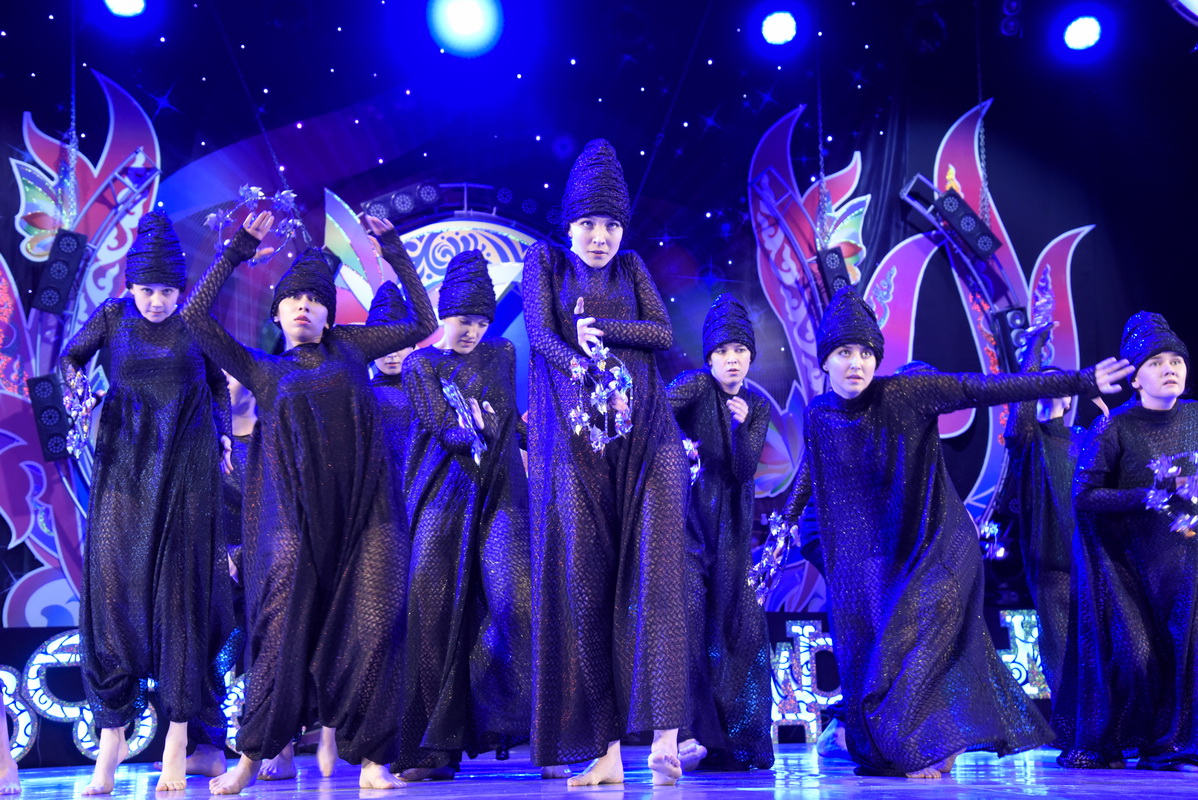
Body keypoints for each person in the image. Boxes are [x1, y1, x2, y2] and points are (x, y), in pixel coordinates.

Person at [781, 287, 1132, 778]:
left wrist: (1081, 379)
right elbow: (810, 471)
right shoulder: (819, 414)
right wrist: (785, 521)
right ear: (825, 361)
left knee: (911, 638)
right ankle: (922, 740)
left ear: (877, 358)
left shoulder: (906, 393)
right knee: (876, 652)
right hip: (880, 553)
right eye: (843, 353)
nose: (856, 363)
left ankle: (915, 747)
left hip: (940, 541)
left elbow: (983, 387)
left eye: (865, 352)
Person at [180, 212, 437, 794]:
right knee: (278, 635)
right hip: (291, 520)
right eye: (294, 299)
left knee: (377, 626)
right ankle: (250, 759)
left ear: (330, 314)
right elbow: (194, 318)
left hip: (366, 515)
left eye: (316, 300)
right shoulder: (263, 369)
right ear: (277, 313)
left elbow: (423, 322)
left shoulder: (350, 348)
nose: (304, 306)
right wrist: (237, 250)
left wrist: (394, 251)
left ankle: (372, 761)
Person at [525, 139, 689, 786]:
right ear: (569, 224)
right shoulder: (546, 263)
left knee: (658, 578)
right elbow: (541, 334)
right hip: (578, 445)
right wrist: (582, 364)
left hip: (649, 439)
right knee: (586, 587)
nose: (601, 237)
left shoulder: (632, 268)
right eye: (590, 223)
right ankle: (606, 751)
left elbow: (663, 333)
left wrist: (604, 331)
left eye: (612, 225)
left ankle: (666, 739)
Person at [60, 211, 235, 795]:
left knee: (179, 599)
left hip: (186, 468)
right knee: (114, 598)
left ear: (180, 290)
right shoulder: (113, 317)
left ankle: (178, 743)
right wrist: (81, 395)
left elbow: (217, 385)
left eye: (166, 290)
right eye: (147, 290)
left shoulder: (194, 324)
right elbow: (70, 359)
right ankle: (109, 747)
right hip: (125, 469)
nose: (157, 301)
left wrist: (225, 437)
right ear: (129, 285)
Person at [394, 250, 533, 780]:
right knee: (430, 619)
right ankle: (431, 749)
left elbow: (507, 420)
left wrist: (533, 433)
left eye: (480, 321)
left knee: (513, 603)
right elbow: (443, 426)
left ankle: (510, 723)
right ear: (443, 315)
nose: (472, 331)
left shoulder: (501, 353)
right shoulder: (420, 364)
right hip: (440, 496)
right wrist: (477, 426)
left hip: (499, 493)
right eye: (462, 320)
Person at [1054, 312, 1198, 771]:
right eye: (1156, 363)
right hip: (1128, 568)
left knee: (1190, 652)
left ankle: (1174, 746)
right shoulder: (1114, 427)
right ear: (1135, 378)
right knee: (1138, 657)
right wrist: (1150, 495)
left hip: (1187, 561)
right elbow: (1083, 497)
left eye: (1176, 361)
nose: (1170, 369)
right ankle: (1127, 740)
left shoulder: (1196, 416)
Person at [666, 294, 773, 771]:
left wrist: (741, 427)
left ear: (751, 357)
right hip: (687, 525)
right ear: (709, 357)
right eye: (723, 351)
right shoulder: (693, 385)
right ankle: (689, 734)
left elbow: (745, 470)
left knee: (737, 627)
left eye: (741, 351)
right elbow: (655, 413)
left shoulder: (756, 405)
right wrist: (680, 446)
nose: (732, 359)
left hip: (732, 530)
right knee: (688, 623)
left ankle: (734, 740)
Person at [1000, 323, 1084, 696]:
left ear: (1070, 399)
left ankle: (1103, 725)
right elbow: (1021, 410)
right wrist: (1034, 348)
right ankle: (1069, 724)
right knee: (1062, 650)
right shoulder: (1027, 439)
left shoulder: (1085, 439)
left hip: (1090, 560)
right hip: (1050, 563)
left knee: (1097, 652)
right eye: (1041, 383)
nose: (1050, 388)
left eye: (1057, 383)